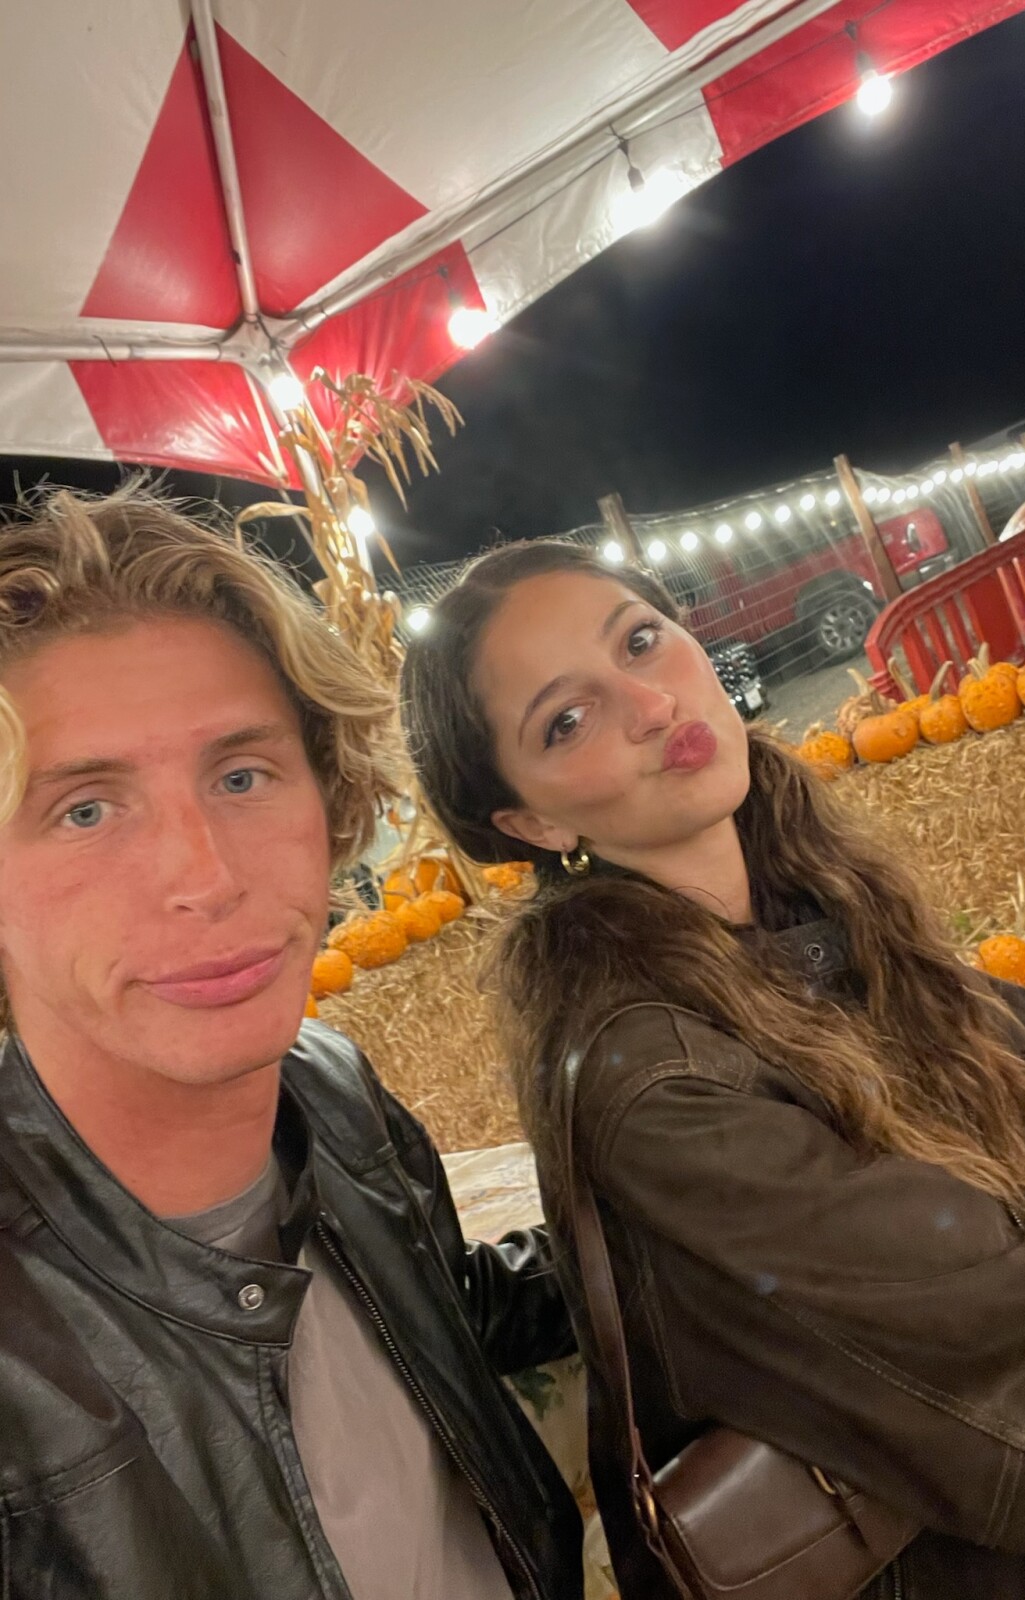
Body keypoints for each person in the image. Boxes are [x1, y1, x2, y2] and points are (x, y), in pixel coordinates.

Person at [402, 538, 1025, 1600]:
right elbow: (1022, 1360)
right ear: (535, 820)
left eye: (640, 641)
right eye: (568, 719)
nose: (650, 703)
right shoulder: (656, 1088)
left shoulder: (843, 921)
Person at [0, 492, 582, 1600]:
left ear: (330, 797)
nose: (207, 877)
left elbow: (449, 1315)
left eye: (241, 776)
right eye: (85, 809)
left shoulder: (333, 1091)